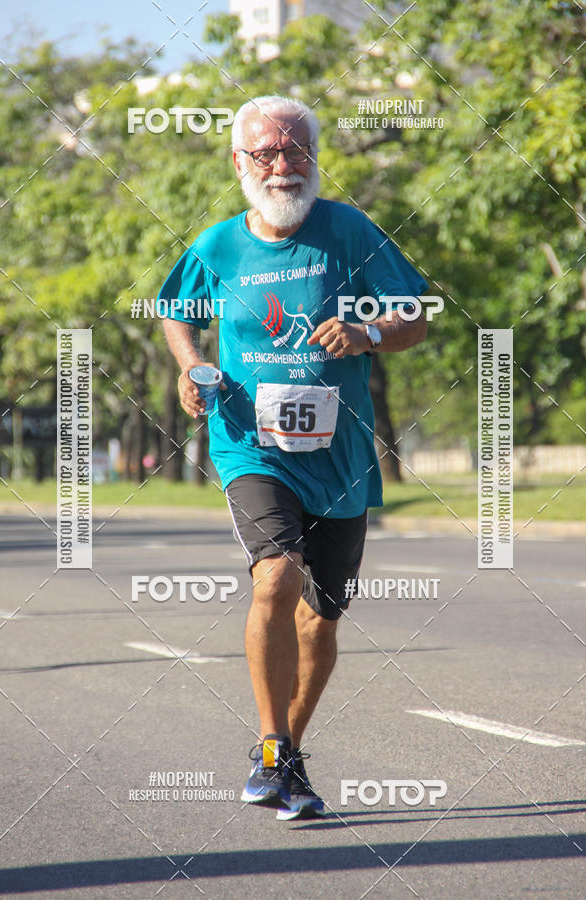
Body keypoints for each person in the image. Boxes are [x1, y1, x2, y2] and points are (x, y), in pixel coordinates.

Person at [158, 94, 428, 820]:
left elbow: (414, 316)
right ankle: (272, 746)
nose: (283, 165)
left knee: (323, 618)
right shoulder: (216, 247)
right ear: (238, 162)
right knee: (275, 577)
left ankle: (287, 758)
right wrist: (189, 367)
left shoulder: (349, 230)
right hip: (251, 444)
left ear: (314, 156)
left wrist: (370, 336)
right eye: (266, 153)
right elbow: (177, 314)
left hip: (339, 455)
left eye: (296, 151)